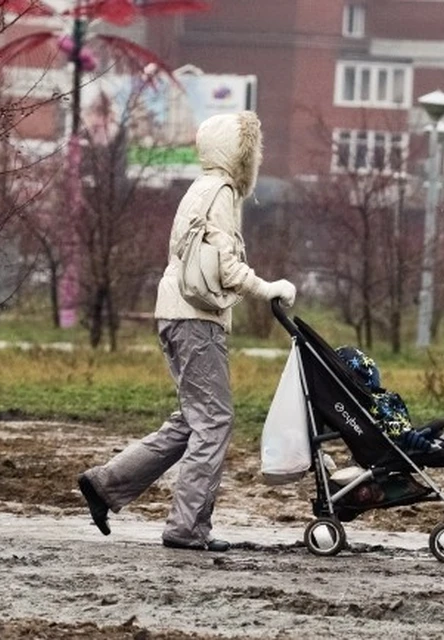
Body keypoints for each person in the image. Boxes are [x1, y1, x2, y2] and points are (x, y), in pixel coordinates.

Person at [77, 111, 296, 552]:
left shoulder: (198, 189)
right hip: (196, 321)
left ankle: (106, 484)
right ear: (238, 156)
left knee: (192, 419)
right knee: (215, 421)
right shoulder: (220, 192)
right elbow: (224, 265)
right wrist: (267, 287)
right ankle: (187, 527)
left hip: (175, 314)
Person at [334, 346, 444, 474]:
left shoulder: (360, 399)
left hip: (395, 439)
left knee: (441, 433)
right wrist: (409, 436)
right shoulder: (368, 403)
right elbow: (385, 424)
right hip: (396, 446)